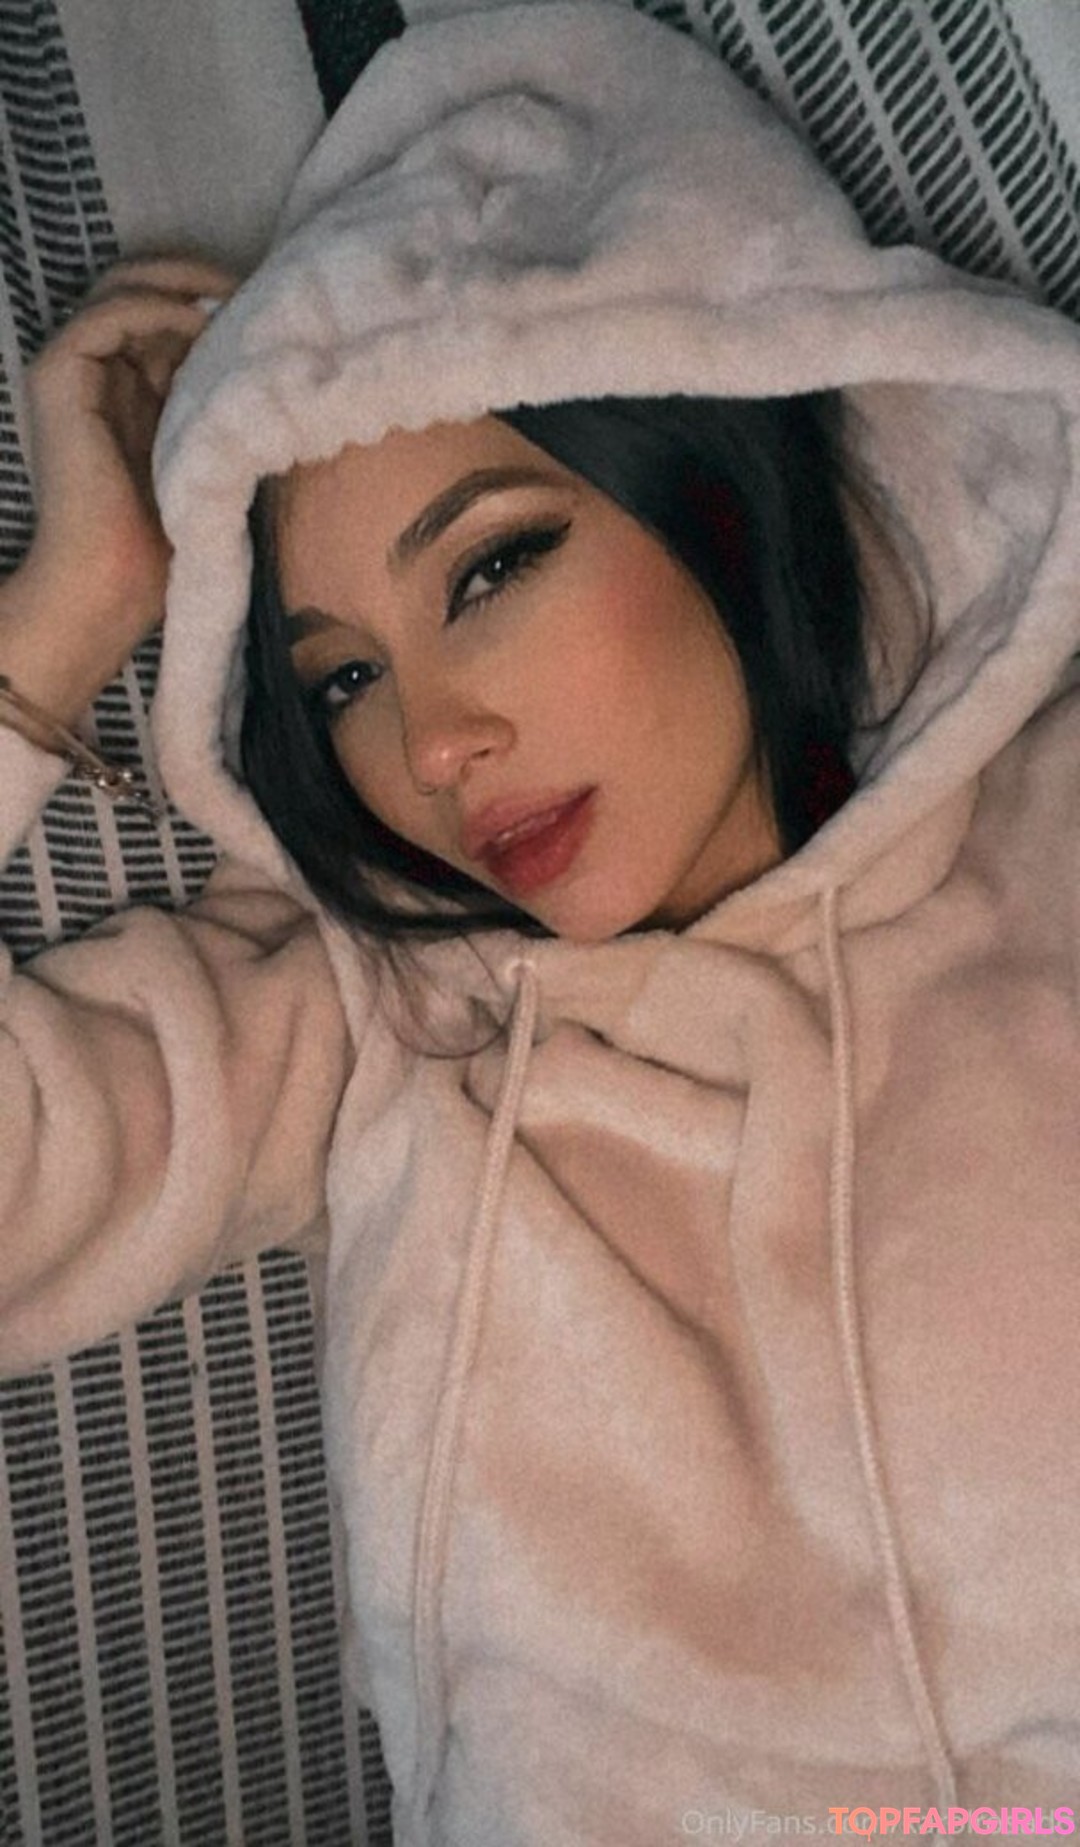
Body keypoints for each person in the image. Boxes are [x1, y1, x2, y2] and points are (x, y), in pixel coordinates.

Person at [1, 2, 1078, 1838]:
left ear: (713, 474)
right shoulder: (372, 1021)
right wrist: (61, 624)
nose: (433, 744)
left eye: (493, 564)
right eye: (342, 681)